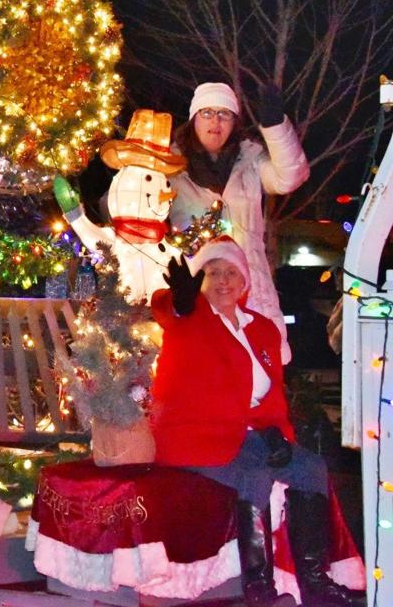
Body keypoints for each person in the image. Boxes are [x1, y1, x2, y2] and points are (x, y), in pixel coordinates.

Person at [153, 238, 363, 607]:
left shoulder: (261, 327)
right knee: (257, 475)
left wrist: (277, 436)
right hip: (195, 436)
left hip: (249, 434)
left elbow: (270, 395)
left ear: (244, 281)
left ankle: (314, 583)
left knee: (311, 468)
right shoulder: (189, 317)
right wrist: (179, 300)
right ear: (199, 279)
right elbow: (165, 309)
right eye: (213, 272)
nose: (223, 280)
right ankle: (259, 590)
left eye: (231, 272)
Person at [169, 82, 309, 364]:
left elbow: (291, 176)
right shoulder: (168, 165)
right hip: (195, 290)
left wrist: (275, 127)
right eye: (207, 113)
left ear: (234, 122)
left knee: (256, 375)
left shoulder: (251, 161)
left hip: (249, 287)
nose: (215, 121)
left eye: (225, 114)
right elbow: (127, 202)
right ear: (194, 118)